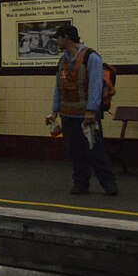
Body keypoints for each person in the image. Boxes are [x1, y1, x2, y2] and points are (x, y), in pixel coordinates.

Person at [45, 25, 118, 196]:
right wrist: (54, 112)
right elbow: (59, 88)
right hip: (67, 116)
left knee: (95, 150)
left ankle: (109, 183)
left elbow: (95, 86)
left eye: (58, 38)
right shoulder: (62, 61)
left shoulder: (91, 58)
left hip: (86, 116)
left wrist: (91, 111)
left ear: (67, 38)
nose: (56, 42)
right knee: (74, 152)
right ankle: (80, 183)